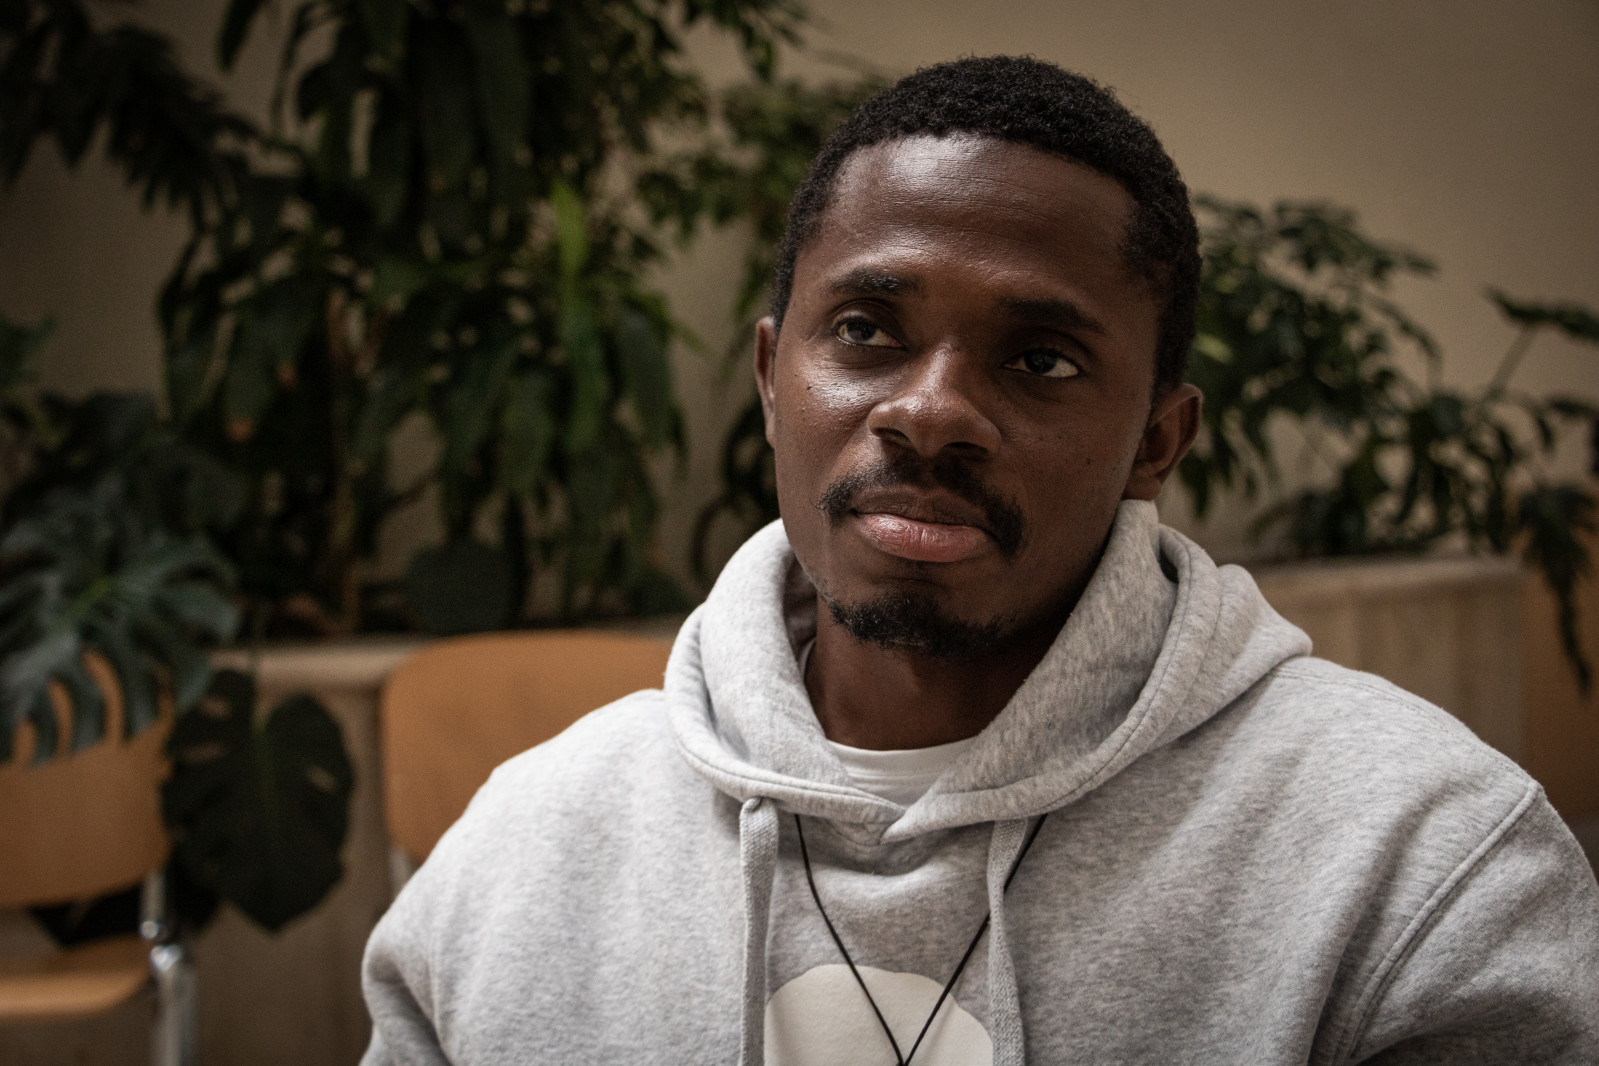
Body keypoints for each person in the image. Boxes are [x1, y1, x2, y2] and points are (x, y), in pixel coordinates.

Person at [360, 56, 1599, 1065]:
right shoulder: (526, 849)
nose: (931, 412)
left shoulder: (1417, 864)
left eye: (1040, 359)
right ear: (772, 379)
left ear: (1156, 442)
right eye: (866, 330)